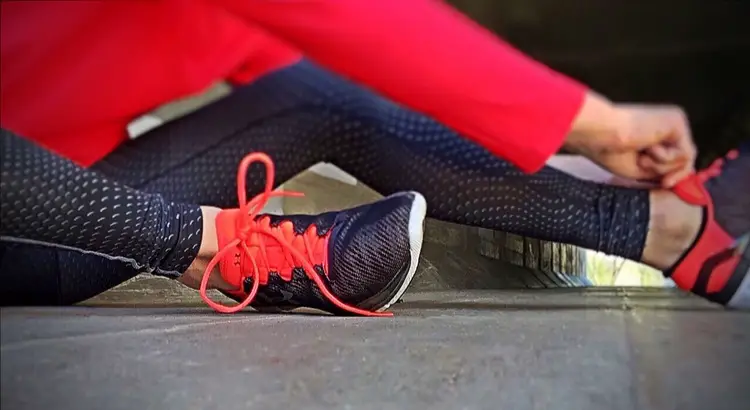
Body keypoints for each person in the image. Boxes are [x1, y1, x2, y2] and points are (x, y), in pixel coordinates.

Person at [1, 1, 747, 314]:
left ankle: (665, 231)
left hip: (70, 202)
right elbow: (359, 18)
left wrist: (579, 161)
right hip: (36, 231)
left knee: (328, 94)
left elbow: (380, 72)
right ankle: (209, 248)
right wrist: (599, 124)